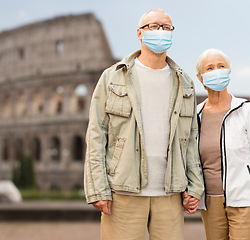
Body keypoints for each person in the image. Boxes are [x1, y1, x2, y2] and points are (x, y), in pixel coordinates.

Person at [84, 9, 204, 240]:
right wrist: (98, 188)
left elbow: (190, 139)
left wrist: (194, 185)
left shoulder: (185, 82)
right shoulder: (112, 77)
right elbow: (97, 134)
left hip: (170, 192)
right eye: (154, 26)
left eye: (166, 27)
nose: (161, 31)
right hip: (123, 191)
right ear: (139, 33)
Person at [185, 48, 250, 240]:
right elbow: (189, 160)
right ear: (200, 77)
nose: (216, 71)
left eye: (221, 66)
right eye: (210, 68)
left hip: (244, 201)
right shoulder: (195, 115)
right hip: (210, 202)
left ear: (229, 72)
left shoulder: (247, 110)